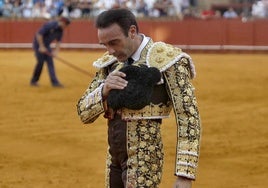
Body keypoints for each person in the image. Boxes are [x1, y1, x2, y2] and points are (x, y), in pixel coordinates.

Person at [77, 8, 201, 188]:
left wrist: (185, 174)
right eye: (104, 45)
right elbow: (83, 113)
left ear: (132, 31)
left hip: (145, 161)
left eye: (114, 42)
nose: (110, 51)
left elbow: (189, 118)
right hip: (114, 161)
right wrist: (104, 90)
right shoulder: (110, 64)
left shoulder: (167, 60)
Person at [30, 16, 71, 87]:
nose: (66, 27)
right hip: (38, 45)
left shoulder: (61, 30)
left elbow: (58, 42)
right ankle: (34, 81)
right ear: (62, 23)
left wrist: (56, 52)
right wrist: (41, 46)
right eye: (66, 25)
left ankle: (55, 82)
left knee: (50, 62)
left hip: (46, 46)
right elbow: (39, 34)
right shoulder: (50, 25)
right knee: (40, 62)